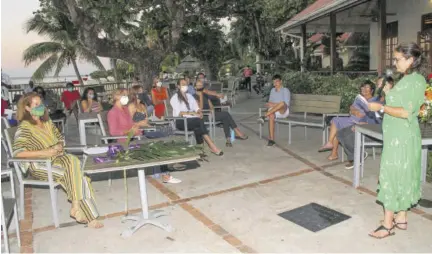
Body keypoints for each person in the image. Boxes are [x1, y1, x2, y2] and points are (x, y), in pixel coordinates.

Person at [13, 92, 103, 228]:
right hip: (39, 164)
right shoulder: (25, 127)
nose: (40, 107)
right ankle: (89, 217)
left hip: (56, 158)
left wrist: (59, 145)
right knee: (77, 176)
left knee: (74, 162)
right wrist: (46, 151)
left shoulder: (47, 122)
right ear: (27, 108)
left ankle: (75, 206)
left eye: (41, 104)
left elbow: (60, 137)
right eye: (36, 104)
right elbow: (18, 153)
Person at [367, 43, 426, 239]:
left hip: (401, 138)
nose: (395, 62)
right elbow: (400, 101)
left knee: (391, 175)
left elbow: (406, 112)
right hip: (398, 136)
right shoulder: (408, 79)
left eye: (398, 59)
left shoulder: (415, 81)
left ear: (410, 60)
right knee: (403, 174)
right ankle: (401, 217)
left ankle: (387, 225)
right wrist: (387, 90)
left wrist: (381, 108)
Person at [338, 77, 394, 169]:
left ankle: (357, 158)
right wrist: (361, 122)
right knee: (340, 133)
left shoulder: (390, 100)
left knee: (349, 136)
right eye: (378, 84)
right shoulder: (376, 98)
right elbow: (366, 113)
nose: (378, 87)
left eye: (381, 84)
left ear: (389, 86)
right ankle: (358, 155)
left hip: (378, 130)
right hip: (367, 126)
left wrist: (366, 125)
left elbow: (383, 120)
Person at [318, 80, 379, 160]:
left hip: (358, 123)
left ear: (372, 90)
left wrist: (357, 112)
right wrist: (353, 110)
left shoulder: (373, 101)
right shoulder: (359, 98)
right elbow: (351, 109)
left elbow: (370, 115)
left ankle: (332, 149)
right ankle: (333, 152)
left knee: (335, 121)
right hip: (351, 120)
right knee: (336, 125)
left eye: (367, 87)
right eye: (363, 87)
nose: (364, 89)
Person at [170, 78, 223, 155]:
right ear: (178, 86)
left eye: (186, 84)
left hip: (192, 120)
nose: (185, 86)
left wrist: (199, 111)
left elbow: (196, 107)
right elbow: (180, 113)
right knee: (198, 121)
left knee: (198, 124)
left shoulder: (189, 96)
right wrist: (192, 113)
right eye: (183, 84)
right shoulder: (174, 98)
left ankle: (201, 149)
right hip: (181, 121)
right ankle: (211, 145)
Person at [195, 79, 248, 147]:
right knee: (226, 115)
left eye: (201, 85)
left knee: (225, 117)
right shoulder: (194, 96)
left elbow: (210, 105)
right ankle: (236, 132)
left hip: (210, 114)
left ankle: (228, 139)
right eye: (198, 85)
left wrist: (212, 111)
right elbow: (200, 108)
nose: (200, 87)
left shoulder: (205, 94)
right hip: (203, 116)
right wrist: (201, 96)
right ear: (195, 87)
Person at [257, 74, 290, 146]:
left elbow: (286, 104)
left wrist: (275, 104)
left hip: (283, 111)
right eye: (274, 82)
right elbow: (269, 103)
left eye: (277, 82)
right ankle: (271, 140)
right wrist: (274, 105)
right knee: (271, 115)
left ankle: (264, 116)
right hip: (273, 111)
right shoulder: (272, 90)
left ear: (281, 81)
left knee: (282, 103)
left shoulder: (285, 90)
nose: (275, 84)